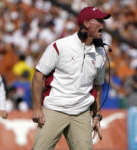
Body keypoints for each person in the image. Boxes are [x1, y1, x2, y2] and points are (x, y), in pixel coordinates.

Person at [32, 6, 110, 150]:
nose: (103, 25)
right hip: (54, 108)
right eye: (99, 21)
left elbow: (97, 86)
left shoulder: (101, 53)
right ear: (87, 24)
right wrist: (37, 109)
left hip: (81, 113)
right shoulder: (60, 46)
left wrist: (97, 116)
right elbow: (38, 75)